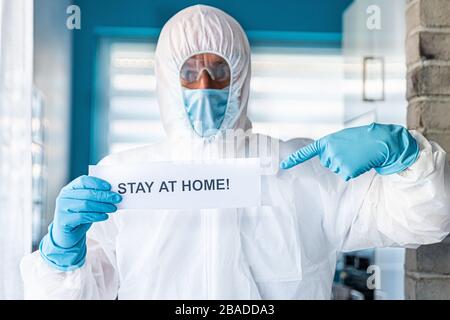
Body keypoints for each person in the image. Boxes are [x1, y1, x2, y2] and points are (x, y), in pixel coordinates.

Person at [21, 5, 450, 299]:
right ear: (168, 82)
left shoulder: (300, 170)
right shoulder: (126, 178)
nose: (204, 85)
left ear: (240, 77)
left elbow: (425, 222)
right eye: (189, 72)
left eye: (218, 70)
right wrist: (61, 250)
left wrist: (403, 154)